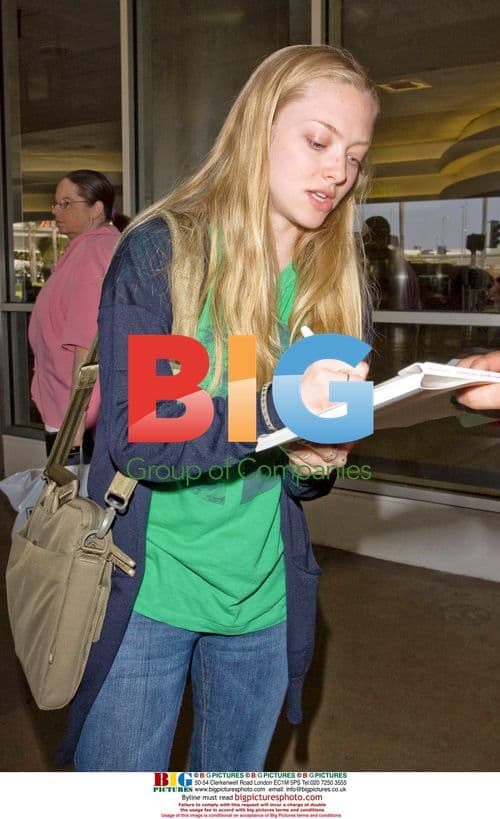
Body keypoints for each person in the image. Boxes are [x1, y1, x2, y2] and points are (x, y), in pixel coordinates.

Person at [58, 44, 379, 771]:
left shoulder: (339, 286)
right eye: (319, 141)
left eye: (354, 155)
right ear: (258, 127)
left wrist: (319, 460)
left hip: (263, 603)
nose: (338, 170)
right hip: (144, 593)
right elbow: (143, 440)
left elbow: (307, 479)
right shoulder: (161, 254)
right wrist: (278, 408)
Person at [28, 169, 127, 463]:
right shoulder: (84, 247)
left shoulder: (95, 249)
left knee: (71, 503)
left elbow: (86, 340)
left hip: (75, 411)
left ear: (96, 208)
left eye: (66, 203)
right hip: (66, 401)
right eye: (55, 203)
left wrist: (76, 419)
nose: (56, 211)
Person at [364, 214, 421, 310]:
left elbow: (399, 310)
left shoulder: (400, 270)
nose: (365, 245)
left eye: (367, 239)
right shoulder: (375, 263)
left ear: (384, 239)